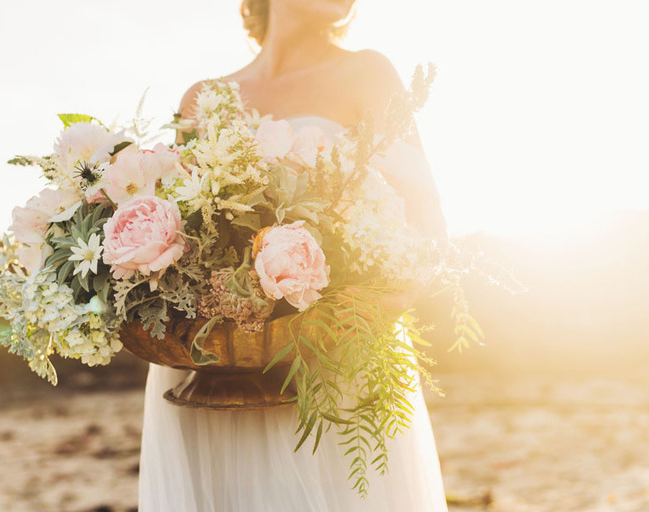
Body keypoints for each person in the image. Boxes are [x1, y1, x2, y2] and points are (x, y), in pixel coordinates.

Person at [139, 1, 449, 510]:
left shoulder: (367, 73)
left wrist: (370, 309)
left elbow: (427, 228)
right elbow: (181, 232)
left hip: (334, 365)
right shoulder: (201, 98)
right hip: (212, 373)